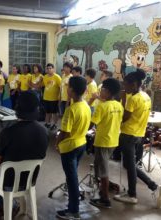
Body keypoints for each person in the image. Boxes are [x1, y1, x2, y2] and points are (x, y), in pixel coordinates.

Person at [0, 91, 49, 217]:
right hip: (29, 180)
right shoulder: (44, 132)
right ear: (37, 109)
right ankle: (9, 204)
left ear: (17, 108)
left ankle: (3, 204)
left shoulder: (8, 132)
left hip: (8, 181)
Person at [114, 70, 161, 208]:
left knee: (130, 166)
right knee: (129, 165)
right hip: (139, 134)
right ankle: (145, 188)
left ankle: (136, 193)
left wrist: (123, 99)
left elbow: (125, 117)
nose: (125, 87)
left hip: (128, 134)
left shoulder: (133, 99)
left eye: (126, 85)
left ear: (134, 84)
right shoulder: (146, 96)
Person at [55, 76, 91, 220]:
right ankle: (73, 203)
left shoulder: (71, 109)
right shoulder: (86, 105)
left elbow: (65, 132)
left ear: (72, 90)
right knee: (73, 176)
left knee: (72, 179)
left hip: (70, 147)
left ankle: (73, 211)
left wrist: (57, 142)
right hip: (81, 143)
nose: (66, 88)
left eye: (68, 86)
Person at [89, 78, 123, 209]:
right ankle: (107, 188)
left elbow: (92, 123)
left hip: (102, 141)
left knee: (103, 171)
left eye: (101, 89)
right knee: (101, 167)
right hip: (113, 140)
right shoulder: (118, 105)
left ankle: (105, 199)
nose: (99, 91)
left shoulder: (102, 106)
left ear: (107, 92)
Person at [42, 63, 61, 130]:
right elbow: (45, 85)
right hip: (46, 98)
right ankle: (48, 123)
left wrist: (59, 97)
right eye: (48, 68)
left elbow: (60, 87)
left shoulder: (57, 77)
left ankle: (55, 124)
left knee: (54, 113)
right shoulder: (45, 77)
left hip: (54, 99)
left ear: (53, 69)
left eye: (50, 68)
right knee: (47, 112)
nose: (49, 70)